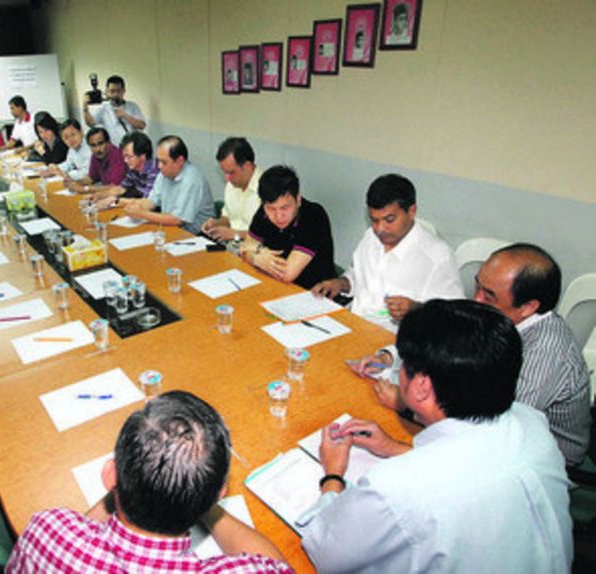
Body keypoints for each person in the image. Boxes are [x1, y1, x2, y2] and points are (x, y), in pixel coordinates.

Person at [298, 299, 573, 572]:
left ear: (420, 387)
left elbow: (325, 552)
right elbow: (473, 468)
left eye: (402, 366)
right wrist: (395, 448)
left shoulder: (394, 487)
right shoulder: (532, 422)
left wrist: (333, 476)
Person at [352, 243, 592, 467]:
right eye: (477, 286)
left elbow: (490, 431)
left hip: (537, 458)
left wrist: (406, 405)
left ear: (528, 307)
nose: (475, 300)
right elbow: (443, 335)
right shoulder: (500, 318)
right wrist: (389, 356)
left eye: (488, 296)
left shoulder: (545, 353)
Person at [6, 391, 292, 573]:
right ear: (218, 494)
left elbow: (82, 530)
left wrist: (128, 484)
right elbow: (277, 566)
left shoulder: (47, 529)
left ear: (109, 475)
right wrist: (197, 496)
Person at [312, 174, 463, 327]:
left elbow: (452, 314)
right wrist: (341, 283)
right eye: (374, 220)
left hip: (396, 339)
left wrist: (417, 309)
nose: (380, 229)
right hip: (355, 321)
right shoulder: (371, 237)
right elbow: (358, 275)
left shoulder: (437, 256)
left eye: (389, 220)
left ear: (412, 212)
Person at [241, 165, 336, 290]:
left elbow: (286, 274)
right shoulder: (264, 212)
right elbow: (244, 249)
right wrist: (257, 258)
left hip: (312, 293)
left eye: (285, 208)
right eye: (271, 209)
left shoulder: (314, 215)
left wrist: (255, 256)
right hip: (274, 286)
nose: (279, 216)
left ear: (298, 200)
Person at [123, 135, 213, 235]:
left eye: (164, 162)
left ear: (179, 161)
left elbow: (177, 220)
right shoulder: (164, 174)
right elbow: (152, 201)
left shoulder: (192, 180)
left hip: (196, 236)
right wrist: (136, 207)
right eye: (158, 160)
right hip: (173, 230)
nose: (159, 166)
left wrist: (141, 214)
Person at [202, 137, 262, 243]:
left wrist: (235, 234)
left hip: (256, 252)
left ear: (248, 166)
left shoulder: (268, 189)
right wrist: (216, 223)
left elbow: (268, 235)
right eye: (224, 172)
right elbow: (228, 218)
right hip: (231, 247)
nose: (227, 178)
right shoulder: (232, 184)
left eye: (231, 172)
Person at [90, 131, 159, 203]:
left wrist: (117, 201)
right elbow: (121, 188)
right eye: (124, 156)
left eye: (129, 157)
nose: (125, 161)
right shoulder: (133, 170)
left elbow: (146, 201)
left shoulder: (154, 170)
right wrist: (100, 195)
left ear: (142, 156)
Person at [83, 75, 146, 147]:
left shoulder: (132, 106)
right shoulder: (104, 108)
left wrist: (126, 116)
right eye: (112, 91)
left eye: (118, 91)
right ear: (107, 91)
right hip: (113, 150)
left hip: (132, 148)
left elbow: (142, 125)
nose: (115, 94)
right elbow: (90, 123)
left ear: (124, 91)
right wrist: (85, 107)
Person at [66, 127, 127, 194]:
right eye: (93, 145)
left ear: (108, 143)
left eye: (100, 144)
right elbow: (91, 178)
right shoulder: (96, 156)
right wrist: (75, 183)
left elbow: (114, 187)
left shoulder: (117, 156)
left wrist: (85, 189)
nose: (97, 149)